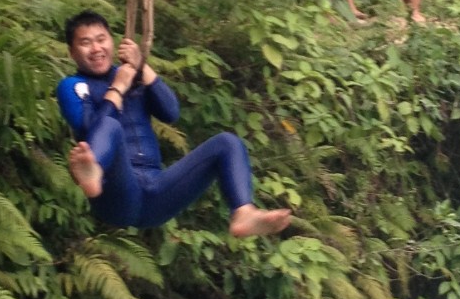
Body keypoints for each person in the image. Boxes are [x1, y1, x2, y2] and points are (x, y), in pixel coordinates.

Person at [57, 12, 291, 238]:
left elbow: (171, 112)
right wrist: (118, 88)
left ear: (112, 41)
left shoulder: (131, 74)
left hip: (155, 194)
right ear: (72, 52)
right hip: (114, 194)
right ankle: (93, 172)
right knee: (112, 127)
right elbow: (92, 130)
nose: (96, 48)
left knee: (227, 143)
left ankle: (243, 212)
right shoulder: (73, 86)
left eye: (101, 39)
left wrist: (141, 67)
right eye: (86, 43)